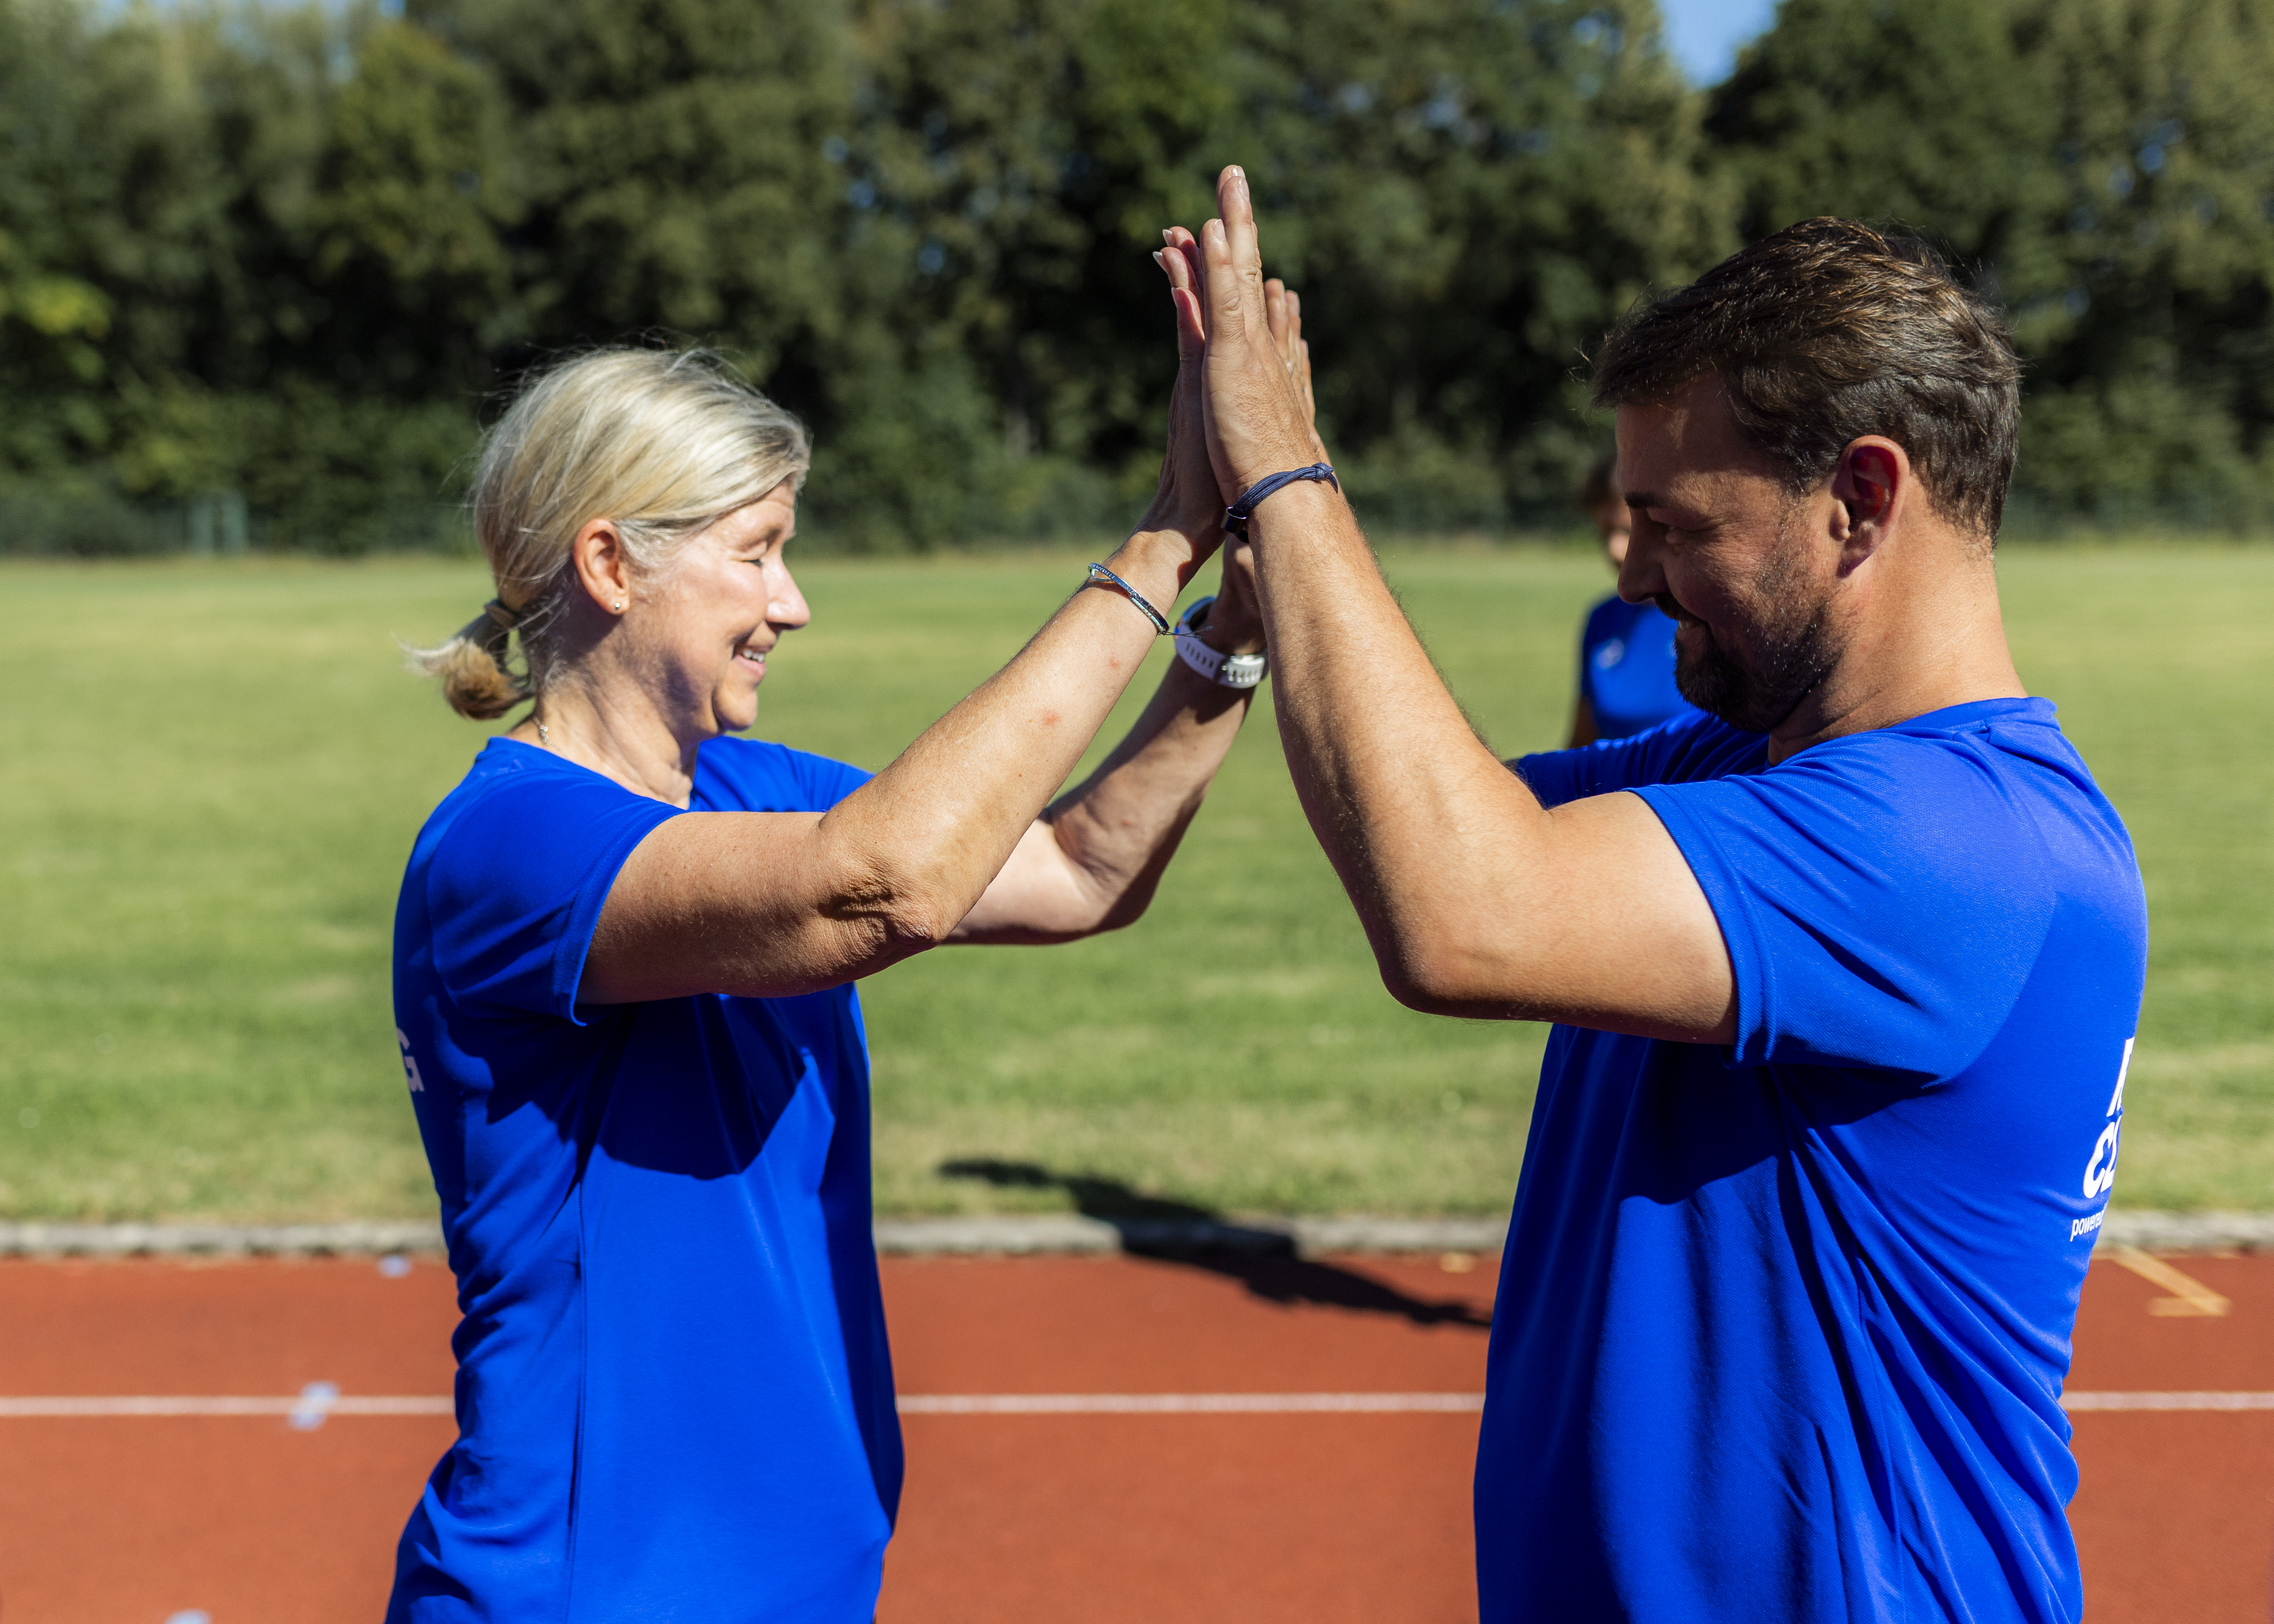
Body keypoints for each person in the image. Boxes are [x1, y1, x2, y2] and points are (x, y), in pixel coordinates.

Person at [1174, 169, 2146, 1622]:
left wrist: (1287, 479)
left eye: (1675, 521)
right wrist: (1247, 606)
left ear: (1857, 499)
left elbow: (1459, 906)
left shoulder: (1955, 842)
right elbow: (1420, 828)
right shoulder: (1754, 763)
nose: (1637, 573)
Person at [386, 234, 1303, 1622]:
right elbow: (881, 887)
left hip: (796, 1563)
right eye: (756, 554)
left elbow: (1072, 868)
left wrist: (1224, 637)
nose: (791, 603)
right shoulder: (511, 842)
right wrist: (1161, 533)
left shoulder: (754, 788)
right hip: (590, 1583)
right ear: (610, 564)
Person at [1566, 452, 1699, 746]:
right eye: (1605, 533)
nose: (1614, 549)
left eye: (1627, 532)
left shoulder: (1708, 619)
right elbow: (1582, 744)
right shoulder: (1603, 619)